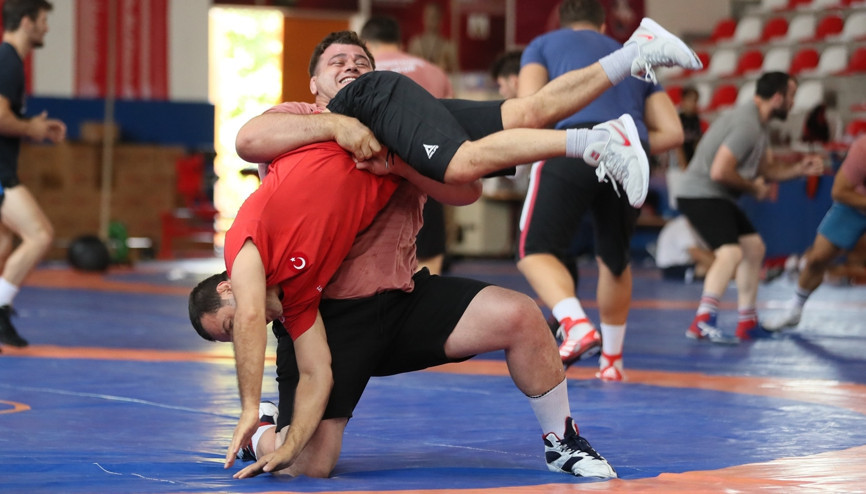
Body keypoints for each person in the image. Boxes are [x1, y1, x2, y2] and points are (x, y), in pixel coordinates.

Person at [190, 24, 702, 479]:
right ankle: (264, 429)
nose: (351, 67)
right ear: (313, 86)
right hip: (333, 317)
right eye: (337, 63)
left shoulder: (397, 123)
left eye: (361, 62)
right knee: (311, 464)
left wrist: (399, 165)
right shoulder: (299, 122)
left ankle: (563, 440)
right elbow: (249, 137)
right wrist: (336, 124)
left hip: (403, 297)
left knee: (522, 315)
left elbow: (466, 188)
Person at [515, 0, 685, 382]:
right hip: (630, 155)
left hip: (575, 143)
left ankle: (575, 324)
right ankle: (612, 363)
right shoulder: (632, 54)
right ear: (604, 23)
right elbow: (673, 133)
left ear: (561, 21)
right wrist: (626, 144)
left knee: (533, 250)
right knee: (615, 257)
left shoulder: (542, 44)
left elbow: (530, 109)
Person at [675, 72, 825, 343]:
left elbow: (767, 169)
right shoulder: (747, 125)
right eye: (791, 96)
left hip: (714, 194)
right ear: (777, 97)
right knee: (730, 253)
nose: (793, 103)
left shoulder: (759, 124)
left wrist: (798, 169)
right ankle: (702, 320)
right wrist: (753, 187)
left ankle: (746, 322)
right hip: (700, 193)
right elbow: (720, 172)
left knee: (753, 248)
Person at [360, 15, 452, 276]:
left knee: (372, 250)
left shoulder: (360, 70)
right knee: (429, 252)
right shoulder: (434, 72)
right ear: (401, 43)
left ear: (364, 42)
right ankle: (425, 307)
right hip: (427, 169)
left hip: (376, 170)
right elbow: (452, 124)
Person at [0, 0, 65, 349]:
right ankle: (0, 309)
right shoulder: (8, 61)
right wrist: (31, 126)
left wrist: (34, 128)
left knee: (4, 243)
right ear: (27, 22)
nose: (47, 28)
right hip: (1, 173)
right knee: (39, 234)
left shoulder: (9, 61)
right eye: (43, 21)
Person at [765, 134, 866, 331]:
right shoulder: (863, 149)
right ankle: (794, 309)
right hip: (855, 204)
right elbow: (839, 191)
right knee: (816, 259)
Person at [654, 215, 715, 282]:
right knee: (705, 269)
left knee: (712, 266)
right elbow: (696, 254)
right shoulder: (681, 226)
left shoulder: (697, 228)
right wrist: (723, 266)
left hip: (688, 264)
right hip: (671, 267)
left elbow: (708, 251)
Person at [407, 2, 459, 73]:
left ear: (440, 19)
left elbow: (455, 71)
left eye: (434, 16)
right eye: (428, 16)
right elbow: (410, 70)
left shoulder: (449, 45)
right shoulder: (415, 43)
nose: (430, 19)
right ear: (424, 18)